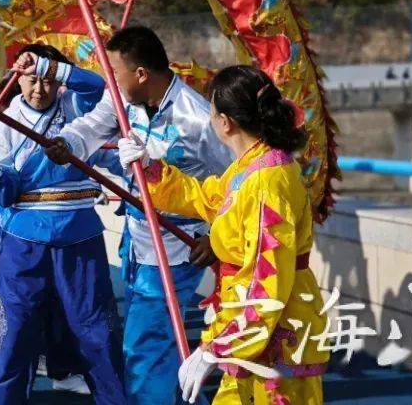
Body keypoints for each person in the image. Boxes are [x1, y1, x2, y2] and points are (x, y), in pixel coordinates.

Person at [45, 26, 232, 405]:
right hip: (136, 238)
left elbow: (233, 184)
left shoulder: (197, 119)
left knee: (144, 345)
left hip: (178, 245)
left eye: (115, 72)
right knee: (157, 336)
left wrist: (214, 237)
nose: (109, 81)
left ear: (142, 74)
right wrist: (68, 142)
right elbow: (94, 125)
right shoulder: (124, 101)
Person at [123, 65, 329, 404]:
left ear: (225, 122)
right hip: (248, 326)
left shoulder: (267, 181)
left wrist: (216, 349)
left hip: (274, 332)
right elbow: (204, 197)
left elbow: (268, 279)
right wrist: (151, 169)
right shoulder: (250, 167)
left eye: (213, 110)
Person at [0, 44, 125, 405]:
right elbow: (4, 193)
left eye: (48, 81)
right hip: (24, 242)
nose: (39, 90)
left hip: (80, 238)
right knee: (15, 333)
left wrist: (49, 66)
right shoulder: (2, 122)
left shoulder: (75, 107)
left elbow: (98, 86)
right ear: (17, 81)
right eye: (31, 81)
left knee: (97, 329)